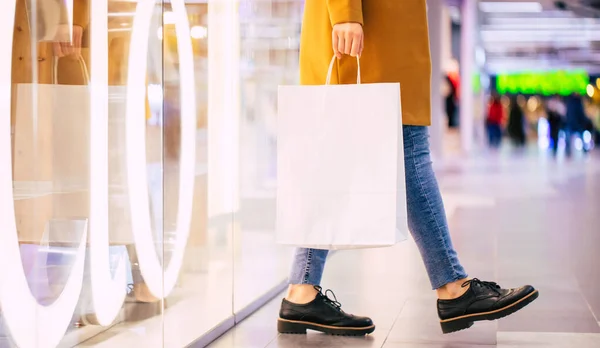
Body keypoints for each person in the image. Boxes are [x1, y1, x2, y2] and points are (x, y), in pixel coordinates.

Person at [278, 0, 539, 336]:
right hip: (372, 31)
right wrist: (345, 13)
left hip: (386, 30)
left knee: (345, 156)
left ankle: (302, 290)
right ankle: (452, 287)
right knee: (407, 149)